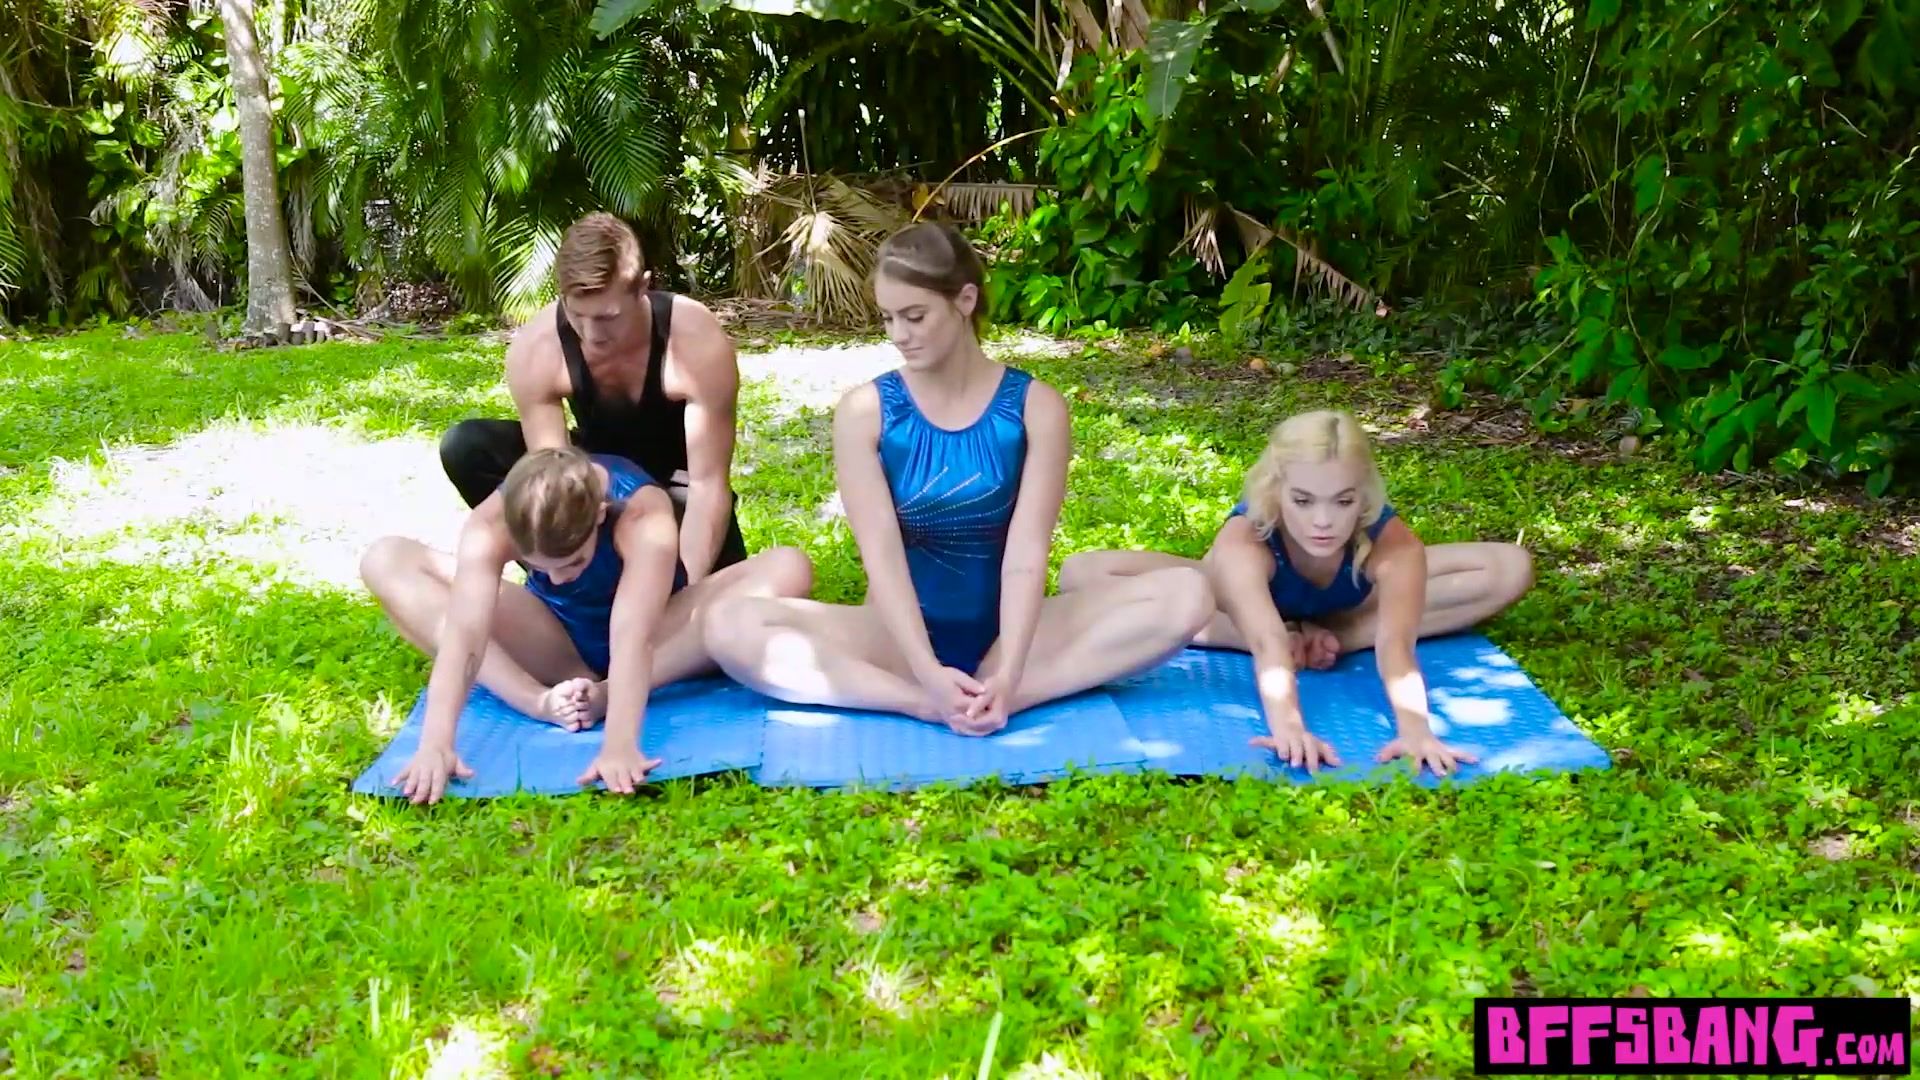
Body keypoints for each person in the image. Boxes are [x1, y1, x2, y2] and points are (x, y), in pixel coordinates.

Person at [702, 223, 1216, 735]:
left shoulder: (1036, 408)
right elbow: (882, 559)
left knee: (1188, 593)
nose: (899, 335)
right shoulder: (866, 412)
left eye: (915, 316)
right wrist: (926, 676)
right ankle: (921, 704)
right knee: (728, 625)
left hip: (1016, 637)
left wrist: (1011, 670)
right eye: (888, 318)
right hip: (896, 642)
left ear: (965, 300)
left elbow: (1026, 556)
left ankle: (1009, 694)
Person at [1057, 409, 1535, 778]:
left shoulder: (1391, 541)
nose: (1323, 522)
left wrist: (1416, 732)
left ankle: (1338, 635)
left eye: (1343, 501)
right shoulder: (1245, 539)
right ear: (1276, 490)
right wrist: (1290, 729)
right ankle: (1283, 636)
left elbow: (1397, 646)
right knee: (1084, 572)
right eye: (1303, 501)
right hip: (1238, 608)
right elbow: (1267, 646)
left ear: (1364, 495)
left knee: (1509, 568)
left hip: (1351, 604)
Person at [360, 446, 812, 804]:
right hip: (555, 640)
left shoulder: (641, 514)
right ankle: (538, 700)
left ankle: (601, 695)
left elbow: (633, 636)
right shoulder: (492, 522)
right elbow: (465, 634)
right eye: (541, 567)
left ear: (597, 514)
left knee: (788, 566)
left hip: (661, 639)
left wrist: (618, 743)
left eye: (573, 562)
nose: (558, 578)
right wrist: (436, 742)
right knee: (387, 558)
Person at [438, 212, 748, 586]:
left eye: (607, 317)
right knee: (468, 446)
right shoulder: (538, 348)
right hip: (594, 477)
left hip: (678, 491)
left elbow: (708, 486)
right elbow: (553, 482)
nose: (591, 334)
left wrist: (683, 586)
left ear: (643, 288)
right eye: (577, 315)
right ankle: (568, 580)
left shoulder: (694, 338)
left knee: (722, 606)